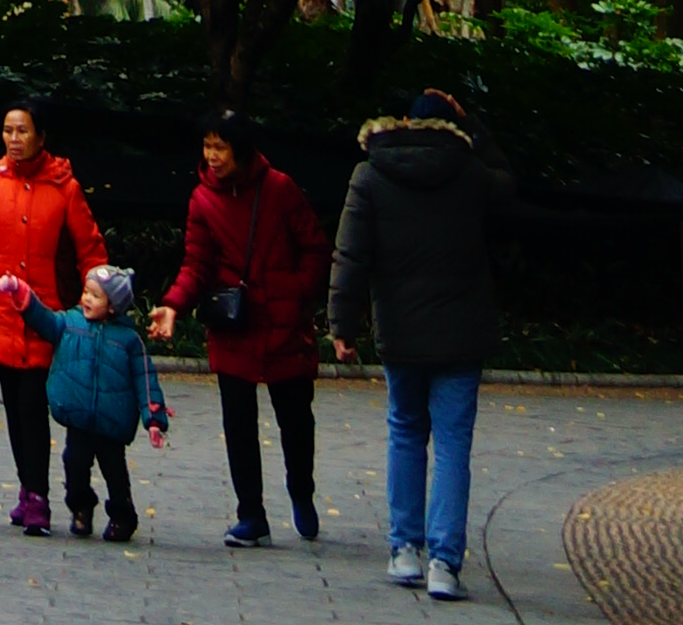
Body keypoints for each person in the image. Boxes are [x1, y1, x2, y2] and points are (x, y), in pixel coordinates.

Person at [326, 85, 515, 604]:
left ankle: (404, 550)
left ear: (404, 124)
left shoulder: (369, 174)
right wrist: (472, 121)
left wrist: (342, 324)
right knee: (453, 446)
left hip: (401, 333)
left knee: (405, 433)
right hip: (461, 334)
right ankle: (445, 566)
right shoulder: (471, 173)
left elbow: (350, 254)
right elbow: (508, 186)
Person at [155, 106, 326, 547]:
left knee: (295, 420)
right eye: (207, 146)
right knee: (238, 423)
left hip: (285, 323)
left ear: (241, 149)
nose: (212, 155)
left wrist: (293, 291)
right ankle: (251, 513)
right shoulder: (203, 199)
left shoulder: (280, 189)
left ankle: (301, 493)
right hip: (235, 322)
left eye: (221, 147)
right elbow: (196, 264)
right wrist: (173, 305)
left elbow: (315, 249)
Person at [0, 94, 106, 534]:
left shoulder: (65, 188)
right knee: (15, 408)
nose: (14, 139)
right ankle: (28, 489)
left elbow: (90, 248)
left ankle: (37, 496)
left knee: (34, 405)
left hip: (47, 318)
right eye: (7, 131)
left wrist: (101, 297)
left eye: (22, 131)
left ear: (41, 137)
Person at [3, 257, 170, 544]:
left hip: (112, 423)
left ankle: (122, 516)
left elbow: (146, 380)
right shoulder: (70, 323)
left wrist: (154, 419)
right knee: (74, 463)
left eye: (95, 295)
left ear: (114, 305)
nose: (87, 299)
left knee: (115, 472)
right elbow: (45, 320)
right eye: (86, 293)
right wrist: (24, 297)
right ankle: (80, 507)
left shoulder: (129, 340)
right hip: (79, 418)